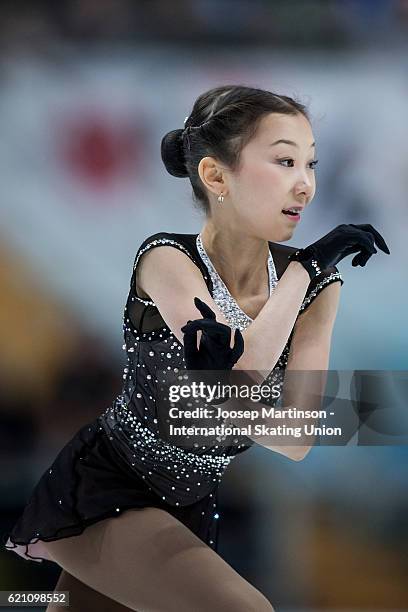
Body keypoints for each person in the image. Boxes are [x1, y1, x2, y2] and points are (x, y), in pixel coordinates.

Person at [3, 85, 389, 612]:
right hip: (111, 489)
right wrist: (302, 273)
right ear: (214, 175)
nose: (305, 185)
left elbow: (298, 437)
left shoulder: (321, 288)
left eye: (311, 164)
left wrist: (223, 398)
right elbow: (246, 370)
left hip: (189, 503)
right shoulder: (167, 260)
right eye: (283, 161)